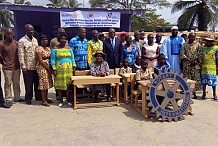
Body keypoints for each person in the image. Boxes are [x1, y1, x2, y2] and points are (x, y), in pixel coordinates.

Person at [18, 24, 42, 105]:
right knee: (28, 84)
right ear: (26, 31)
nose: (31, 31)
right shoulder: (22, 41)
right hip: (27, 66)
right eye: (29, 30)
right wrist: (23, 66)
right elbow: (20, 54)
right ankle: (28, 98)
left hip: (36, 66)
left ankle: (38, 97)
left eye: (32, 30)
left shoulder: (35, 40)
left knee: (37, 82)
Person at [50, 33, 76, 107]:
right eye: (62, 39)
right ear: (58, 40)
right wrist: (54, 69)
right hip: (59, 69)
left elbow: (72, 58)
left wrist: (74, 66)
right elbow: (53, 60)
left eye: (64, 39)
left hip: (68, 69)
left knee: (68, 85)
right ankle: (60, 100)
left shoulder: (69, 48)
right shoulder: (55, 49)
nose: (63, 40)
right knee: (60, 86)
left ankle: (67, 100)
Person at [0, 29, 24, 103]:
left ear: (13, 34)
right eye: (8, 34)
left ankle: (17, 97)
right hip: (7, 68)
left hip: (16, 67)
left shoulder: (16, 44)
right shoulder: (2, 44)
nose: (9, 36)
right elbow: (0, 55)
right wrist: (4, 63)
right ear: (5, 35)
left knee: (16, 83)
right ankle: (8, 98)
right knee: (8, 83)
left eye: (11, 34)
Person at [180, 33, 202, 99]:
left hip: (195, 64)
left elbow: (200, 54)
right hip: (187, 64)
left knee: (195, 79)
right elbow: (182, 54)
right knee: (187, 79)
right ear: (188, 37)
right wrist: (189, 60)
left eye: (193, 37)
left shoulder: (198, 45)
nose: (192, 38)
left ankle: (194, 93)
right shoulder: (184, 45)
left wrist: (195, 61)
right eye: (191, 37)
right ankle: (187, 93)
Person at [36, 34, 53, 106]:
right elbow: (40, 60)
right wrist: (47, 67)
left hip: (48, 67)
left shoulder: (48, 48)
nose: (45, 41)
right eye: (43, 39)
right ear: (40, 40)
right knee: (43, 83)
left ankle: (46, 98)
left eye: (46, 39)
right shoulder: (39, 49)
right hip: (42, 67)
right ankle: (43, 100)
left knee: (47, 83)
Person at [201, 35, 218, 100]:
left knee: (213, 81)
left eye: (210, 41)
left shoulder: (216, 48)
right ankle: (204, 93)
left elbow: (217, 59)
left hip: (212, 67)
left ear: (212, 41)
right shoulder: (203, 48)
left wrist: (217, 67)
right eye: (207, 41)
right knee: (204, 81)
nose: (208, 42)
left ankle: (214, 94)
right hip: (204, 66)